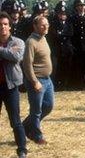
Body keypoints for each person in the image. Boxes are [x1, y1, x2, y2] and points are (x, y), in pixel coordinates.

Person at [22, 16, 54, 145]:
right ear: (35, 26)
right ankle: (37, 135)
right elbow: (27, 64)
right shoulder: (31, 42)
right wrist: (34, 81)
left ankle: (25, 126)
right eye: (42, 25)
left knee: (49, 106)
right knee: (36, 111)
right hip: (36, 80)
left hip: (47, 79)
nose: (46, 27)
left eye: (47, 24)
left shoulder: (43, 38)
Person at [0, 11, 28, 157]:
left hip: (10, 87)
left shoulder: (18, 42)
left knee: (15, 120)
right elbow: (9, 54)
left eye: (5, 24)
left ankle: (22, 149)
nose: (2, 27)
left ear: (10, 26)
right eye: (0, 25)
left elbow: (16, 56)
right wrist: (6, 52)